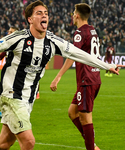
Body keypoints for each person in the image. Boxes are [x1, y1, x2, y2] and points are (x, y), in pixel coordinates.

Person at [0, 1, 123, 150]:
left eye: (46, 13)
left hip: (28, 99)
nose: (44, 15)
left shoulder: (53, 41)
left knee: (3, 143)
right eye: (39, 13)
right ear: (29, 19)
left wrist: (107, 65)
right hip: (11, 95)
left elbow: (80, 54)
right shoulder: (18, 38)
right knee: (29, 142)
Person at [50, 3, 111, 150]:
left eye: (73, 13)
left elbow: (72, 55)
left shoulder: (79, 32)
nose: (72, 15)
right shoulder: (93, 30)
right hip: (94, 78)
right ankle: (92, 144)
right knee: (72, 112)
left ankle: (91, 147)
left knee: (85, 118)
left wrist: (58, 77)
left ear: (77, 15)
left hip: (86, 80)